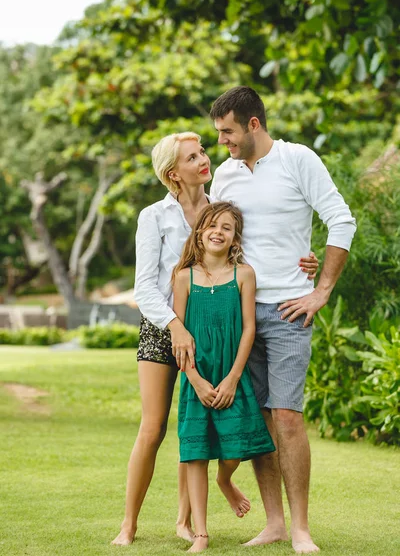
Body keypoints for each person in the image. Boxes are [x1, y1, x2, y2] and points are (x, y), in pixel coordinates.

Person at [112, 131, 319, 546]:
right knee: (152, 429)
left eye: (203, 151)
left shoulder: (222, 208)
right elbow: (145, 289)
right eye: (193, 156)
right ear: (173, 173)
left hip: (211, 332)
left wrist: (305, 261)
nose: (205, 159)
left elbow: (255, 248)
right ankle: (128, 524)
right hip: (163, 328)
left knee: (201, 422)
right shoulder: (153, 216)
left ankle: (185, 522)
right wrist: (175, 327)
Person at [209, 86, 357, 554]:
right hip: (240, 310)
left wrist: (322, 289)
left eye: (228, 132)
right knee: (260, 420)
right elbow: (217, 241)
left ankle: (301, 529)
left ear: (254, 124)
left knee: (288, 418)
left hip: (290, 310)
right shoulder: (225, 177)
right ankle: (273, 523)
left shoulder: (298, 160)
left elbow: (341, 219)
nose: (223, 143)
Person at [173, 201, 275, 553]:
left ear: (235, 238)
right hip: (196, 378)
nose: (218, 231)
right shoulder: (183, 276)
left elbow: (249, 330)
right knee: (195, 454)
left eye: (227, 227)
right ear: (200, 232)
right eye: (212, 225)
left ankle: (225, 479)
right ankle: (201, 533)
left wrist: (232, 378)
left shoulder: (243, 274)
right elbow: (179, 335)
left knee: (236, 448)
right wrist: (196, 379)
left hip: (232, 376)